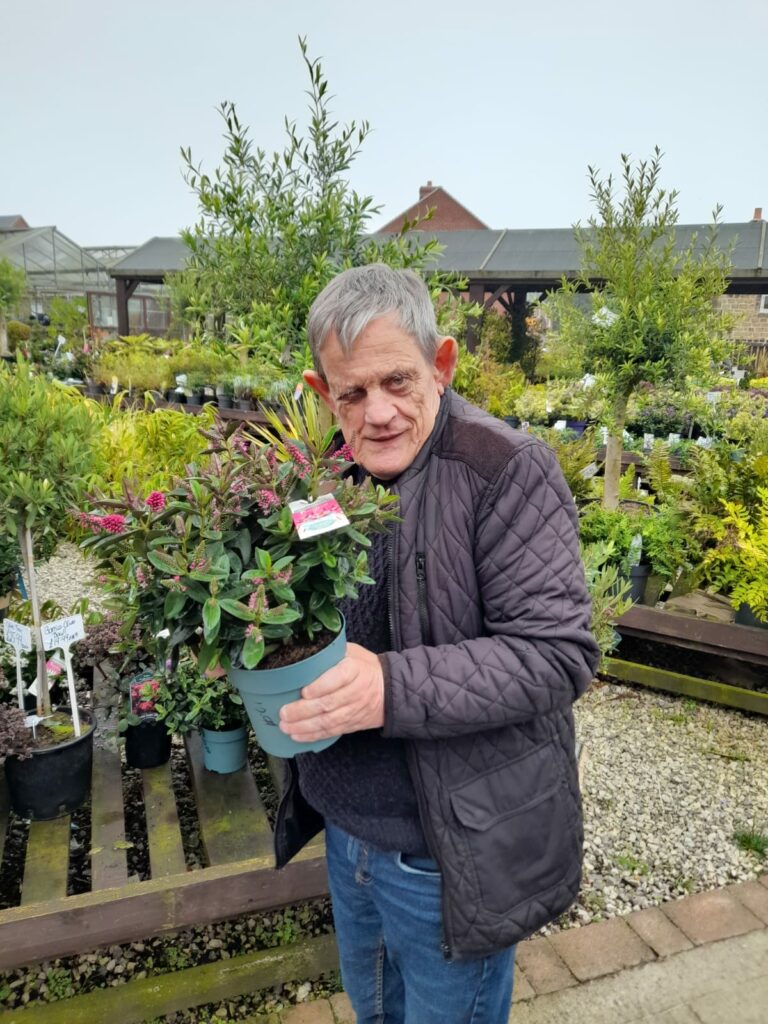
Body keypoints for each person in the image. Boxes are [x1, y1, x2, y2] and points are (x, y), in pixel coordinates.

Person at [274, 264, 600, 1024]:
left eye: (398, 381)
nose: (378, 413)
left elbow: (557, 653)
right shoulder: (317, 480)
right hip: (346, 832)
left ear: (442, 365)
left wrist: (386, 687)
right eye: (351, 393)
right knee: (375, 1013)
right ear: (322, 393)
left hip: (447, 849)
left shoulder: (503, 471)